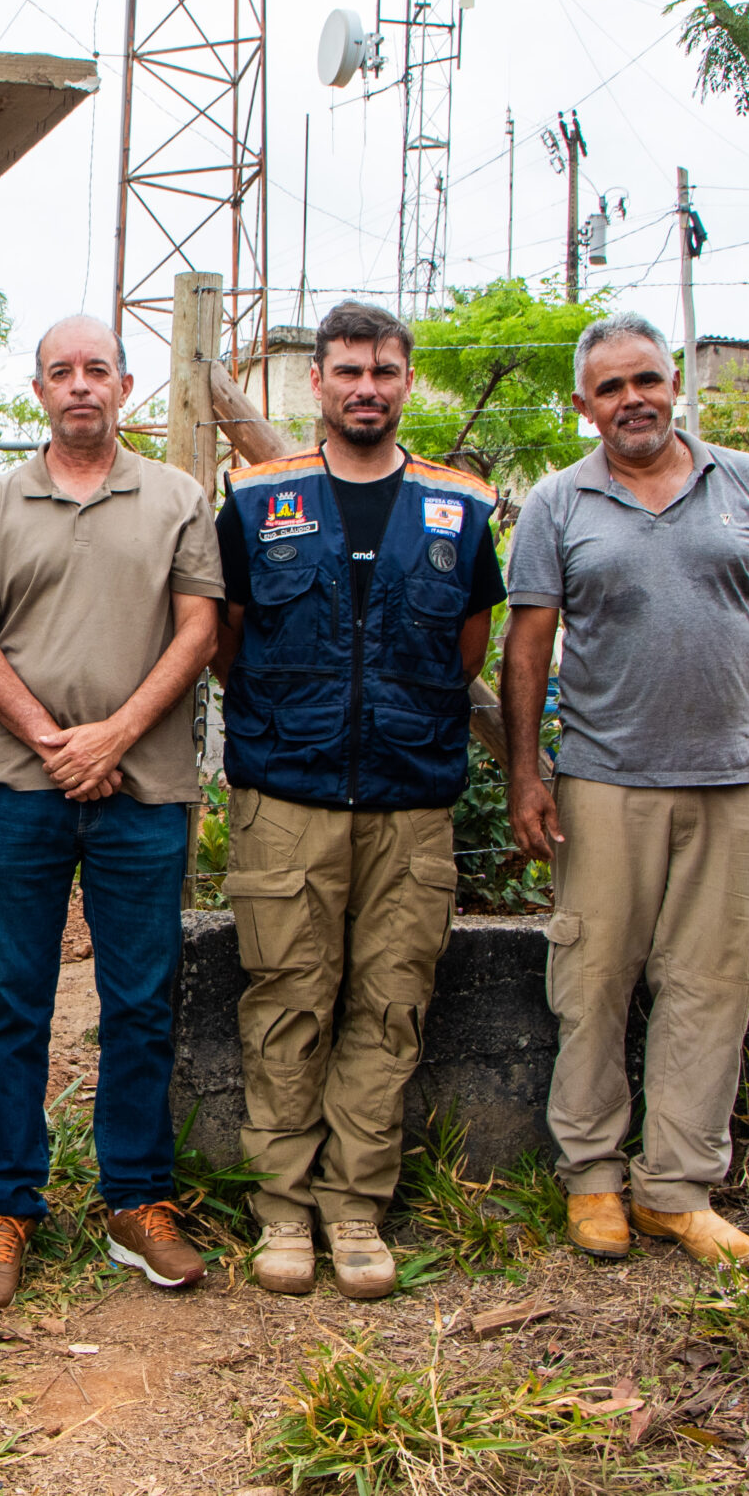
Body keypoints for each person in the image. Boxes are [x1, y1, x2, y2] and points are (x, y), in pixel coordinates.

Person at [212, 300, 504, 1300]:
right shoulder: (257, 498)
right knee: (286, 1002)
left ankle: (354, 1206)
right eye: (346, 371)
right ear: (317, 385)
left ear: (406, 382)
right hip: (285, 794)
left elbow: (469, 648)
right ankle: (283, 1210)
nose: (364, 388)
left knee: (389, 1007)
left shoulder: (458, 506)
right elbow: (226, 640)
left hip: (411, 798)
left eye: (383, 371)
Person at [500, 314, 749, 1270]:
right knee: (593, 980)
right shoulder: (559, 502)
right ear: (585, 404)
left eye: (649, 379)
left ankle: (677, 1187)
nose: (634, 399)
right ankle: (592, 1175)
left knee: (712, 984)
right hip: (605, 781)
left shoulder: (747, 484)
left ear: (676, 385)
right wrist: (525, 772)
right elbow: (528, 646)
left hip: (731, 779)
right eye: (612, 387)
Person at [0, 314, 221, 1308]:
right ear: (38, 390)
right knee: (14, 1003)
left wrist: (113, 736)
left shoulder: (178, 498)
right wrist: (56, 743)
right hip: (25, 791)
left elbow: (197, 630)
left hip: (141, 793)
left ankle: (136, 1204)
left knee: (139, 1004)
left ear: (126, 385)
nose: (79, 386)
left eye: (95, 370)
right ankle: (6, 1205)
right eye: (60, 371)